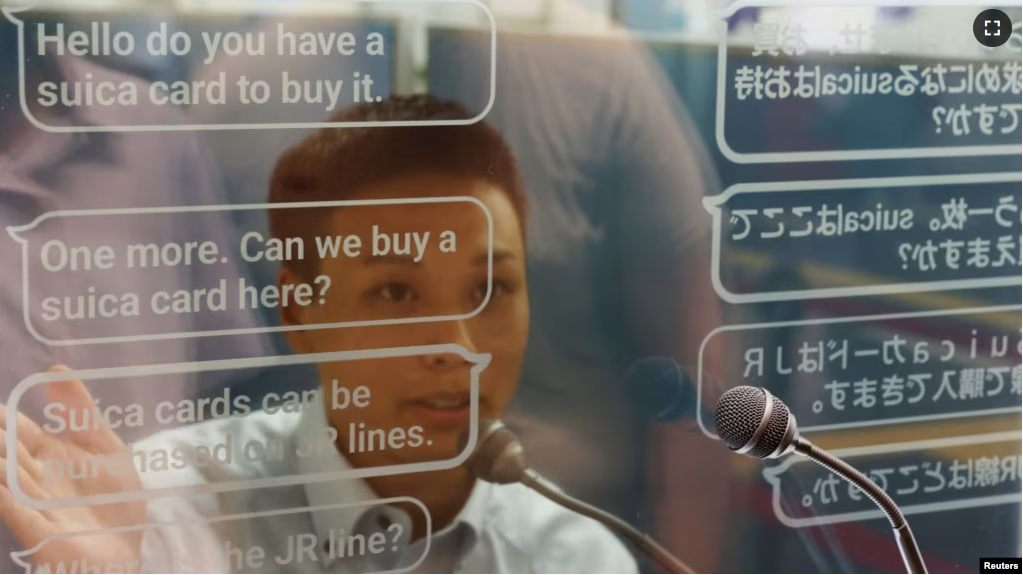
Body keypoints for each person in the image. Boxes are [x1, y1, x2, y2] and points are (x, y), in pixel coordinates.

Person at [0, 96, 638, 574]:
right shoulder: (158, 518)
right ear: (301, 318)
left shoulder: (575, 557)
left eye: (488, 290)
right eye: (397, 293)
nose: (461, 350)